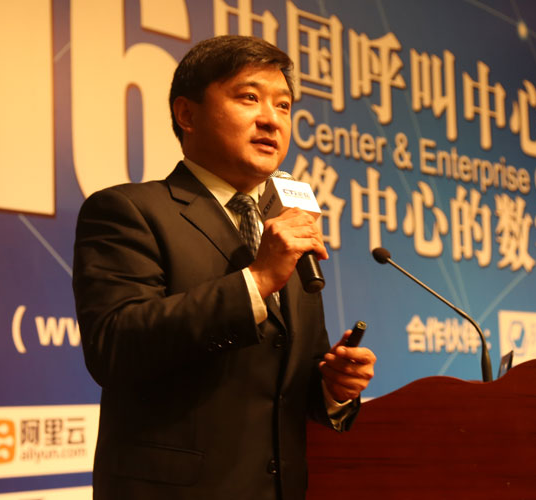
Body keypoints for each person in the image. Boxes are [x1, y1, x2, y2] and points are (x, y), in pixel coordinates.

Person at [72, 35, 377, 500]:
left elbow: (284, 386)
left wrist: (333, 389)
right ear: (186, 114)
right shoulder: (129, 211)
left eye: (283, 105)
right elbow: (114, 347)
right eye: (249, 97)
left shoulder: (285, 223)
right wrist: (257, 280)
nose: (271, 119)